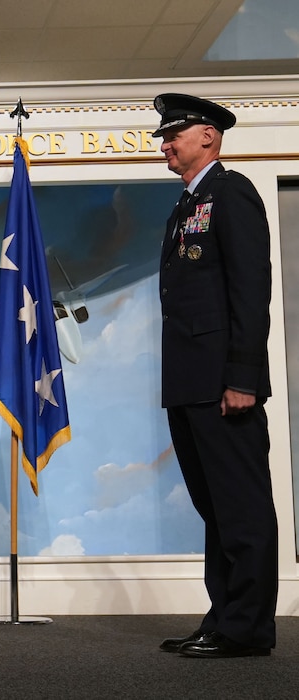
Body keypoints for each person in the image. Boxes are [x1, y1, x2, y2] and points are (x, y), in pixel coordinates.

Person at [153, 93, 277, 658]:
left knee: (241, 507)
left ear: (208, 135)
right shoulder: (187, 204)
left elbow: (251, 291)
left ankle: (247, 627)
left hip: (225, 383)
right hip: (190, 382)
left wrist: (243, 378)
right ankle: (224, 617)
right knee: (214, 508)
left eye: (173, 134)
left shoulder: (231, 192)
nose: (165, 144)